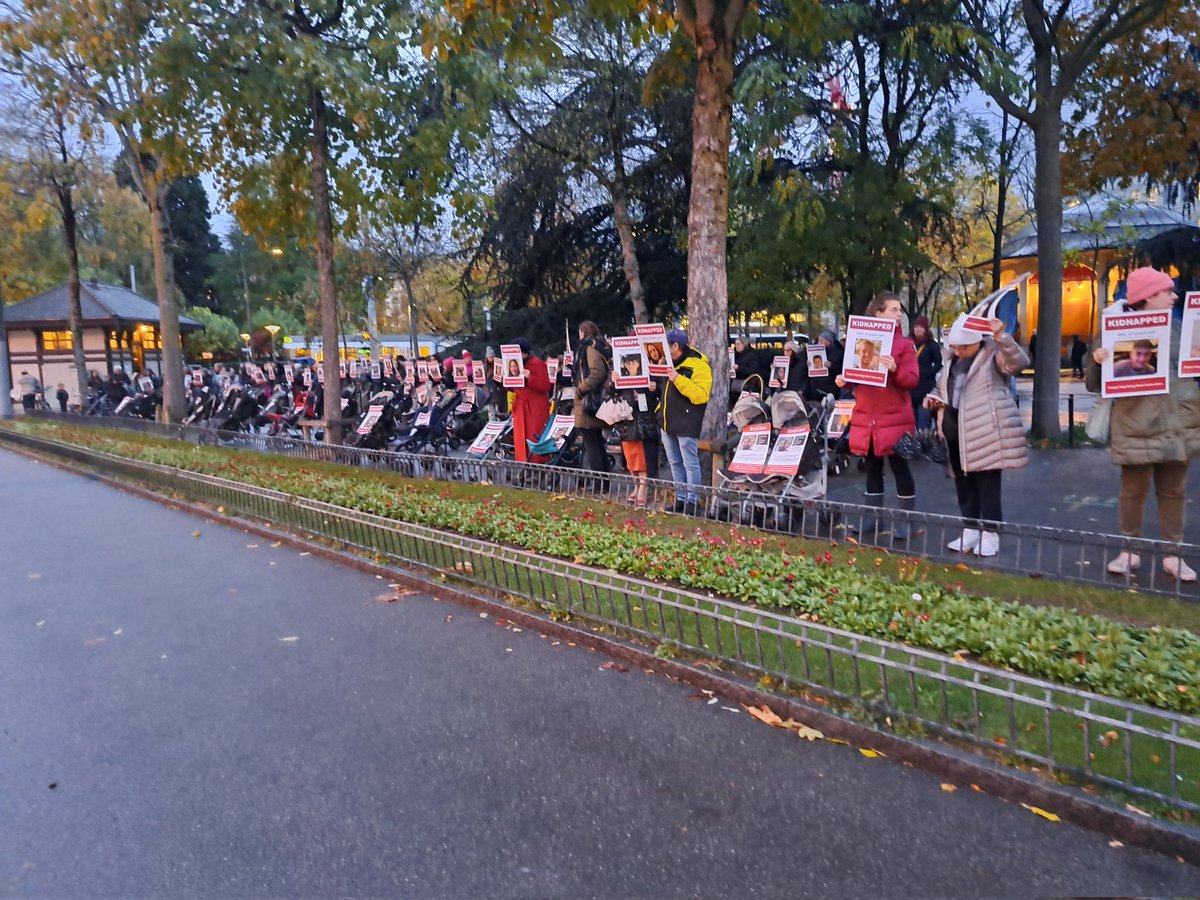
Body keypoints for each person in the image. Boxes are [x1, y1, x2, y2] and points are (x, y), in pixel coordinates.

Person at [1086, 266, 1199, 582]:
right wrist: (1097, 362)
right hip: (1137, 425)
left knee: (1174, 491)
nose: (1174, 295)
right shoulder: (1114, 330)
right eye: (1167, 291)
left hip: (1179, 424)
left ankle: (1173, 556)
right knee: (1132, 492)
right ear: (1149, 297)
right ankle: (1129, 551)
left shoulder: (1179, 329)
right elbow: (1095, 384)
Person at [924, 315, 1028, 557]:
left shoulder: (993, 355)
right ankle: (970, 528)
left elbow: (1018, 363)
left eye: (963, 347)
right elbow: (943, 388)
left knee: (988, 484)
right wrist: (933, 399)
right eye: (955, 347)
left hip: (985, 432)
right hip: (955, 430)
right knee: (963, 482)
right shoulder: (950, 360)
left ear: (976, 343)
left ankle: (991, 534)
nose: (958, 352)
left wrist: (1003, 338)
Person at [835, 292, 919, 539]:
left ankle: (907, 521)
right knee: (872, 469)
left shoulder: (904, 345)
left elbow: (912, 380)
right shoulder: (862, 340)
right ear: (878, 314)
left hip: (894, 418)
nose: (898, 314)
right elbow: (858, 377)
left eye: (899, 309)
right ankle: (873, 519)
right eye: (893, 309)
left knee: (899, 467)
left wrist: (895, 370)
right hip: (867, 418)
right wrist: (846, 380)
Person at [659, 329, 712, 514]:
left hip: (687, 420)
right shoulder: (666, 361)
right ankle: (680, 499)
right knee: (674, 462)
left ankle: (692, 501)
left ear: (675, 346)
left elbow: (701, 396)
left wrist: (678, 379)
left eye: (667, 344)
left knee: (690, 463)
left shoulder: (699, 364)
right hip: (667, 420)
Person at [573, 320, 613, 477]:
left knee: (592, 444)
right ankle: (603, 479)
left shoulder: (590, 347)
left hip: (588, 400)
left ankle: (599, 481)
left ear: (583, 332)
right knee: (597, 442)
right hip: (595, 399)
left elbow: (597, 374)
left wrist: (580, 390)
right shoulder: (601, 346)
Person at [511, 337, 552, 464]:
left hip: (535, 408)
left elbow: (545, 386)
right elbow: (513, 388)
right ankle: (524, 465)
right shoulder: (514, 364)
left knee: (534, 437)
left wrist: (530, 378)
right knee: (520, 439)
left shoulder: (537, 364)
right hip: (520, 406)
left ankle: (538, 466)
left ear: (524, 353)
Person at [911, 315, 943, 432]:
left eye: (920, 327)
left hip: (925, 387)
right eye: (916, 327)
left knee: (923, 422)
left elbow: (939, 363)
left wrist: (928, 373)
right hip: (911, 387)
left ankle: (924, 444)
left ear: (926, 329)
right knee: (912, 422)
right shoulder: (909, 343)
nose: (917, 329)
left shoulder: (932, 345)